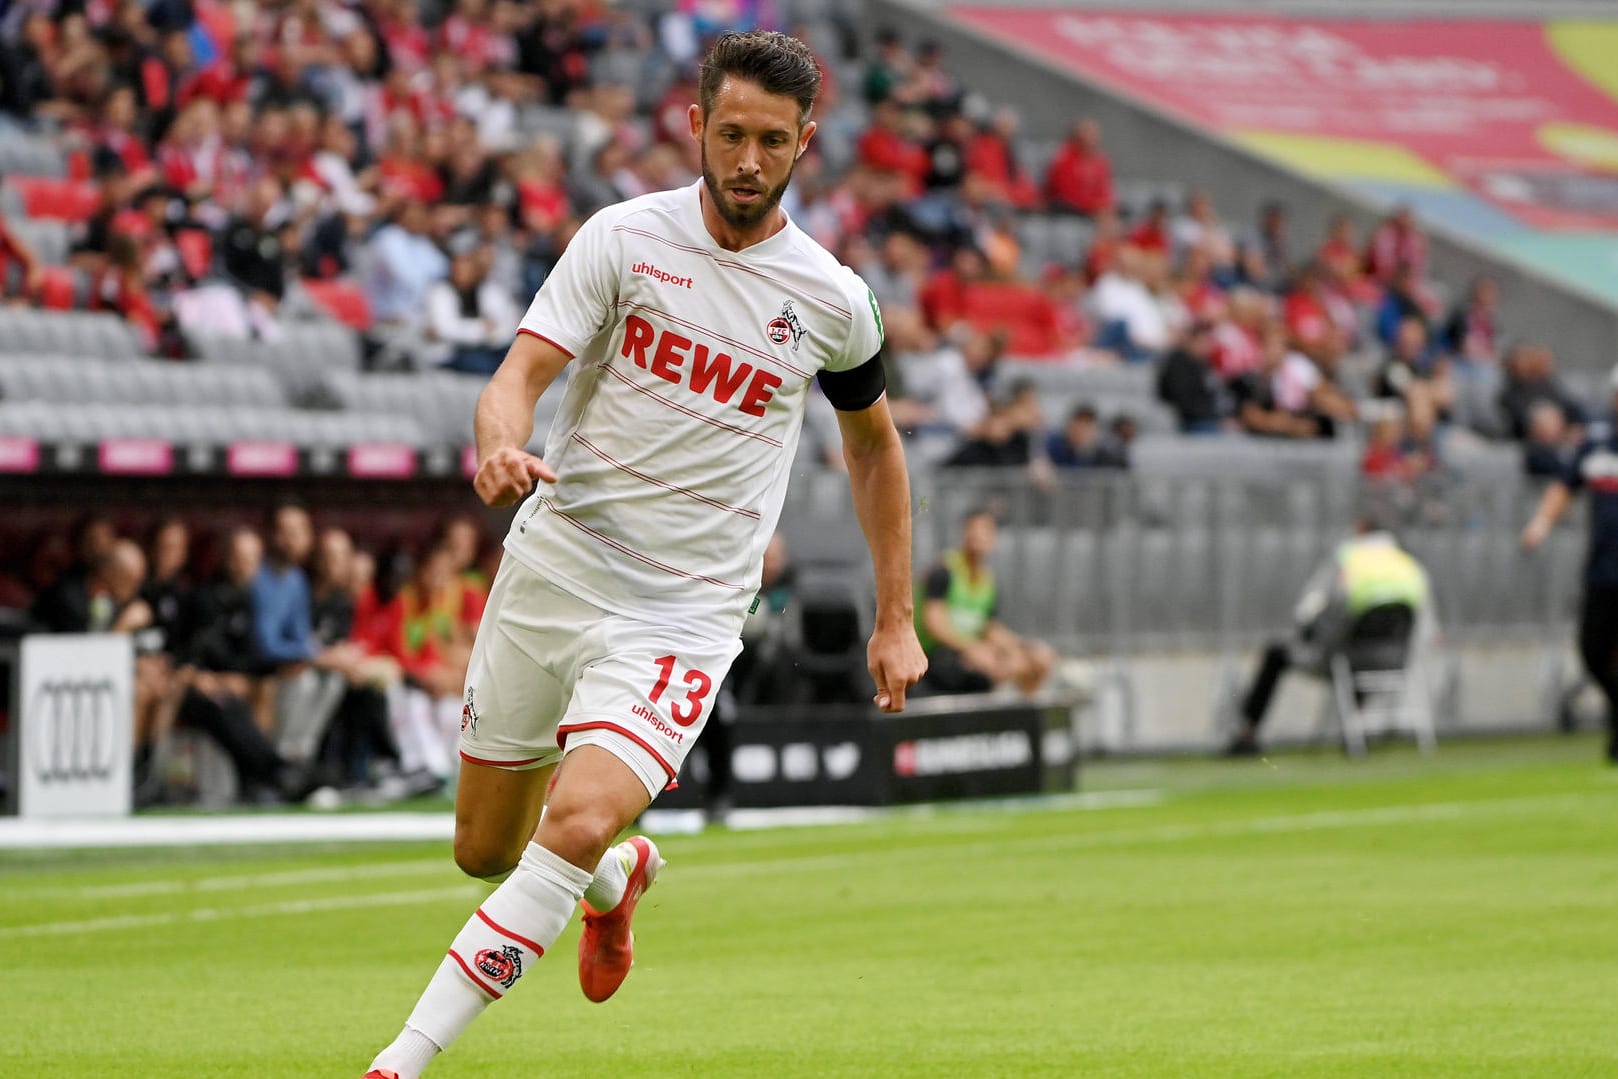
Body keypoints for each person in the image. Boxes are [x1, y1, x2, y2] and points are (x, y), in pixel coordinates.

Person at [364, 32, 926, 1079]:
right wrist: (497, 443)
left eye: (770, 140)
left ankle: (401, 1056)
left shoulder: (831, 299)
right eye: (730, 134)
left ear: (804, 142)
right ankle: (616, 878)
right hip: (558, 565)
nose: (747, 160)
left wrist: (895, 616)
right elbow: (519, 375)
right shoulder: (623, 238)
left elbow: (874, 448)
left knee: (570, 816)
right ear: (695, 125)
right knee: (486, 847)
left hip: (685, 609)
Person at [1226, 518, 1432, 757]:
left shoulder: (1348, 560)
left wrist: (1311, 635)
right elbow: (1426, 620)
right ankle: (1355, 731)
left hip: (1345, 657)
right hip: (1396, 659)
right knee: (1357, 652)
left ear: (1360, 532)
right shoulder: (1408, 565)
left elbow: (1314, 609)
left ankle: (1247, 733)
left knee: (1276, 653)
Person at [1522, 365, 1618, 763]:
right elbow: (1565, 485)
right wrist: (1541, 522)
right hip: (1603, 569)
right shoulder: (1596, 446)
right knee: (1593, 651)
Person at [914, 509, 1054, 696]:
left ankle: (1029, 709)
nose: (978, 535)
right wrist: (971, 647)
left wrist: (1021, 648)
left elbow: (989, 627)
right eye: (973, 528)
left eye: (985, 530)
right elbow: (934, 624)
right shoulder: (944, 570)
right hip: (936, 657)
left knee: (1037, 659)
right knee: (986, 664)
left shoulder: (988, 581)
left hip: (967, 651)